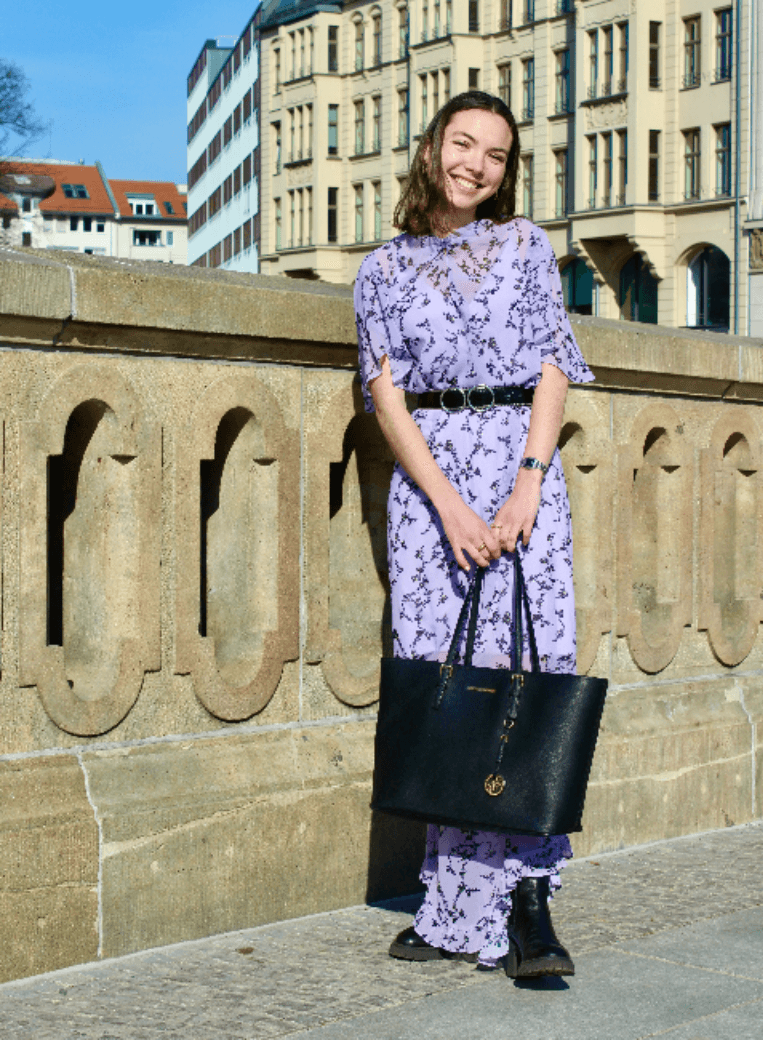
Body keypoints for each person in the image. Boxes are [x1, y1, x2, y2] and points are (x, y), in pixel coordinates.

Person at [353, 91, 595, 977]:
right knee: (449, 685)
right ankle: (454, 905)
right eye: (463, 144)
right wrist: (448, 505)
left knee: (530, 673)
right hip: (432, 492)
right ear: (430, 150)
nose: (476, 164)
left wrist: (527, 482)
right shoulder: (378, 271)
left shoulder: (525, 244)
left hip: (520, 472)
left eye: (495, 153)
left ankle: (530, 900)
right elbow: (385, 396)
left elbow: (550, 366)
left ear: (506, 169)